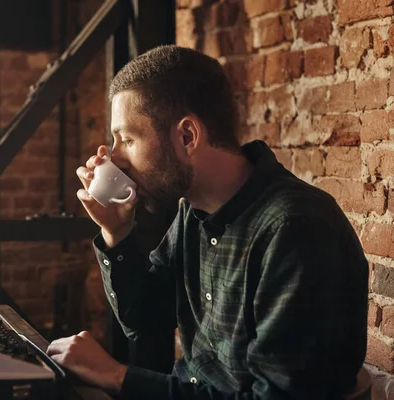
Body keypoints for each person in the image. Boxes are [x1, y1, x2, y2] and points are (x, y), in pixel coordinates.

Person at [46, 45, 369, 399]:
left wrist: (118, 376)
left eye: (126, 139)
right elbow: (146, 322)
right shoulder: (194, 211)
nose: (115, 157)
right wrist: (116, 231)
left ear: (187, 137)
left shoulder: (295, 230)